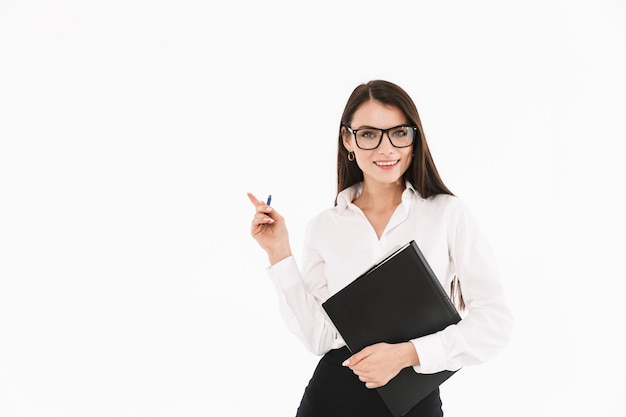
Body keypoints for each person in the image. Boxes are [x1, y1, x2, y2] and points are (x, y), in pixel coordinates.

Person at [247, 80, 513, 417]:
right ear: (348, 140)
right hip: (332, 398)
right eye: (369, 135)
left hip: (412, 401)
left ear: (414, 139)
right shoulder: (325, 226)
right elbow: (319, 338)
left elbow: (495, 323)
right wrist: (278, 254)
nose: (386, 149)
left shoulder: (446, 214)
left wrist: (408, 353)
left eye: (399, 133)